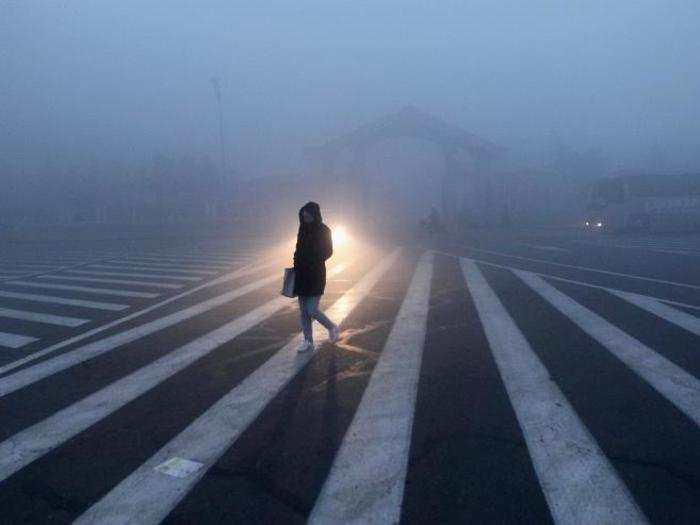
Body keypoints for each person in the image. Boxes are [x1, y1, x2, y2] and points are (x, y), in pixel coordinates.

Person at [293, 201, 340, 352]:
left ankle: (332, 327)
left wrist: (312, 259)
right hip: (301, 273)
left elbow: (329, 251)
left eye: (308, 216)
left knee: (312, 309)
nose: (305, 219)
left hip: (316, 274)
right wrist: (296, 262)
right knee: (303, 311)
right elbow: (298, 248)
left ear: (315, 215)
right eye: (303, 216)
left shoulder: (324, 230)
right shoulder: (302, 229)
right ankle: (307, 341)